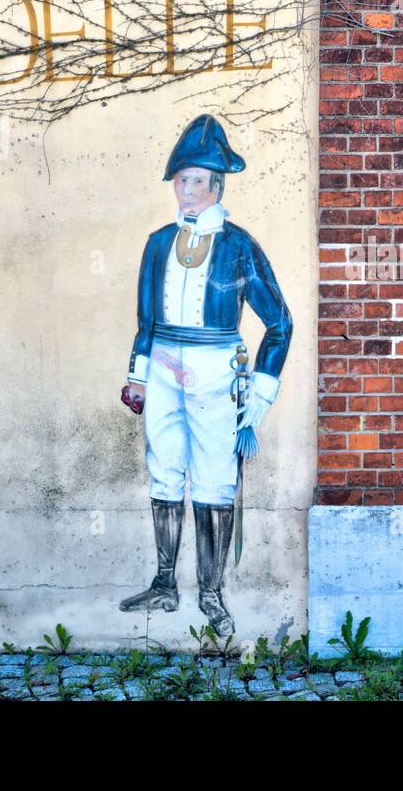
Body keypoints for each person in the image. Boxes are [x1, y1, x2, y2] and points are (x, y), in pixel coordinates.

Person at [118, 113, 292, 638]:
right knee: (165, 468)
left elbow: (280, 323)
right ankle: (165, 580)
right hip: (166, 365)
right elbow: (146, 319)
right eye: (181, 179)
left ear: (217, 185)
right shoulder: (156, 243)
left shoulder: (240, 246)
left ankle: (212, 593)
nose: (187, 190)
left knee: (215, 479)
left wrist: (257, 397)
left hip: (219, 371)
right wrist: (139, 375)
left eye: (197, 180)